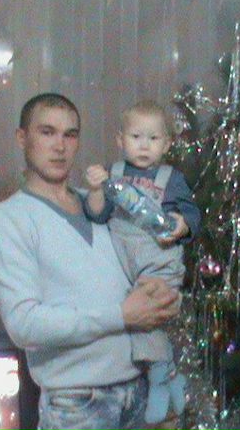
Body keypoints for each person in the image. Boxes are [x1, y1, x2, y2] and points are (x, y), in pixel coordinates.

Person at [0, 93, 180, 430]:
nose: (60, 146)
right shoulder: (9, 218)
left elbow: (152, 259)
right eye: (47, 132)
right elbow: (24, 324)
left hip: (140, 392)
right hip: (78, 404)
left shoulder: (102, 204)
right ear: (22, 138)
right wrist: (121, 316)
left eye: (70, 134)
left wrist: (163, 293)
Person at [84, 100, 201, 425]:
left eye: (153, 138)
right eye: (136, 137)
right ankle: (170, 375)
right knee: (136, 319)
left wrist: (182, 224)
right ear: (120, 140)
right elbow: (97, 215)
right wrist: (95, 189)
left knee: (149, 317)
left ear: (167, 144)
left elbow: (192, 215)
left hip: (157, 258)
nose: (145, 145)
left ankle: (160, 376)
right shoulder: (113, 174)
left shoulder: (171, 178)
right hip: (124, 263)